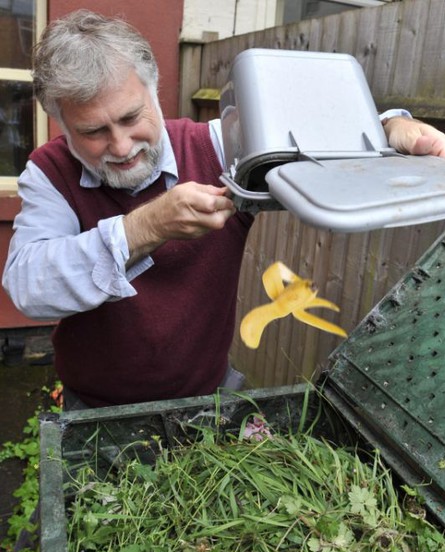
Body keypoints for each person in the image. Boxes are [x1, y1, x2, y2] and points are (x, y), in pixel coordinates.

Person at [3, 9, 445, 411]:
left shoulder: (219, 145)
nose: (120, 147)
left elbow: (322, 131)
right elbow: (29, 287)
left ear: (154, 90)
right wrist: (145, 227)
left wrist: (389, 126)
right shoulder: (49, 174)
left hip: (209, 395)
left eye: (131, 117)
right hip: (96, 407)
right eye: (93, 132)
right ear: (61, 124)